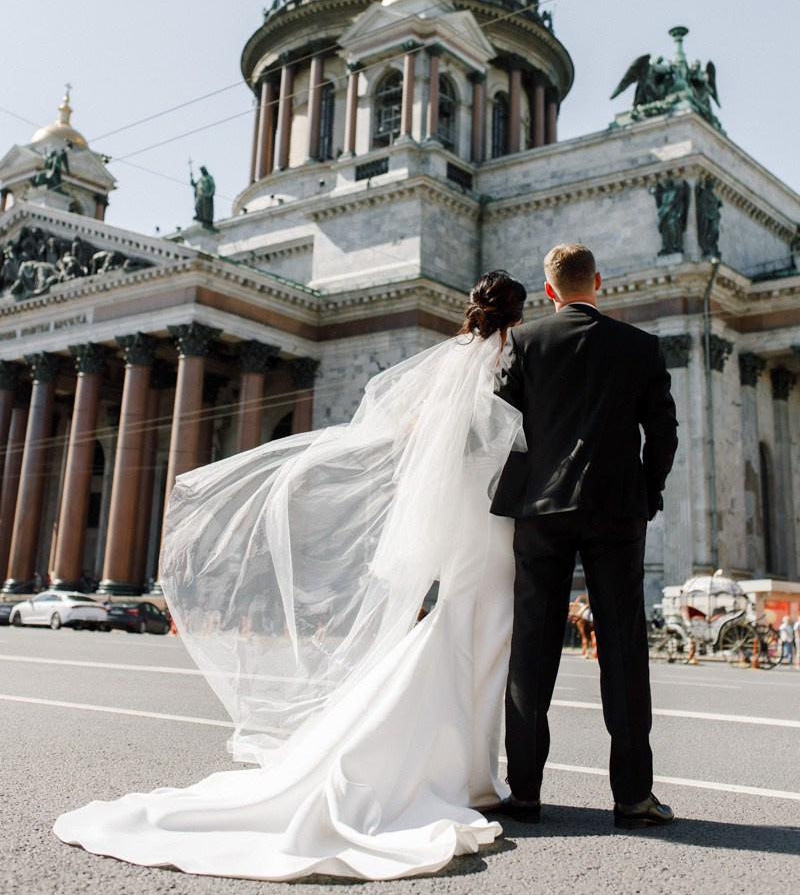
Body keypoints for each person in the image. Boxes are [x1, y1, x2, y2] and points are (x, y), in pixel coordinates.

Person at [54, 271, 528, 881]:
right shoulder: (506, 362)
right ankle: (473, 774)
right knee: (478, 631)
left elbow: (409, 436)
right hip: (488, 516)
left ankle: (461, 769)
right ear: (516, 315)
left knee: (458, 628)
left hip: (460, 514)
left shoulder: (449, 362)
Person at [492, 243, 679, 827]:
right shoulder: (640, 346)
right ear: (598, 282)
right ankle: (632, 797)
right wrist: (646, 491)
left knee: (533, 647)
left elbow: (501, 426)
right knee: (622, 651)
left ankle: (524, 792)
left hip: (541, 512)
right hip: (616, 512)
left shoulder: (526, 343)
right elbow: (664, 434)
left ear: (549, 291)